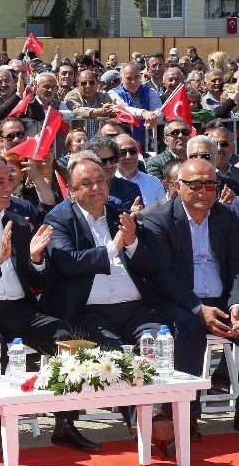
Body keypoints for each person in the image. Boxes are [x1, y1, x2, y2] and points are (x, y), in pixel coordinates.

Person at [0, 154, 99, 459]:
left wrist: (37, 259)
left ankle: (65, 424)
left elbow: (35, 280)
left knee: (70, 341)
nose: (7, 188)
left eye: (9, 181)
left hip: (19, 308)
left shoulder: (17, 223)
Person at [139, 158, 239, 442]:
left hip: (223, 300)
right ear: (178, 186)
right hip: (179, 301)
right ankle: (186, 417)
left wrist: (237, 305)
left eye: (210, 184)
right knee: (188, 331)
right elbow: (164, 277)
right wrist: (199, 309)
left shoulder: (227, 218)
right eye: (195, 185)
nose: (204, 191)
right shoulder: (157, 220)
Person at [41, 153, 166, 448]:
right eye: (86, 184)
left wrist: (133, 241)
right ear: (71, 191)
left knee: (160, 344)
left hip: (134, 306)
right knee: (114, 356)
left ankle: (164, 417)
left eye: (100, 180)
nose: (96, 188)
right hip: (90, 309)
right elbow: (68, 262)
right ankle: (142, 424)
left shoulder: (117, 212)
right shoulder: (59, 218)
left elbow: (151, 263)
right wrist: (114, 246)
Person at [113, 133, 163, 206]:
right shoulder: (107, 183)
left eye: (133, 151)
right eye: (122, 152)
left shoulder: (153, 182)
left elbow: (164, 210)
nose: (129, 156)